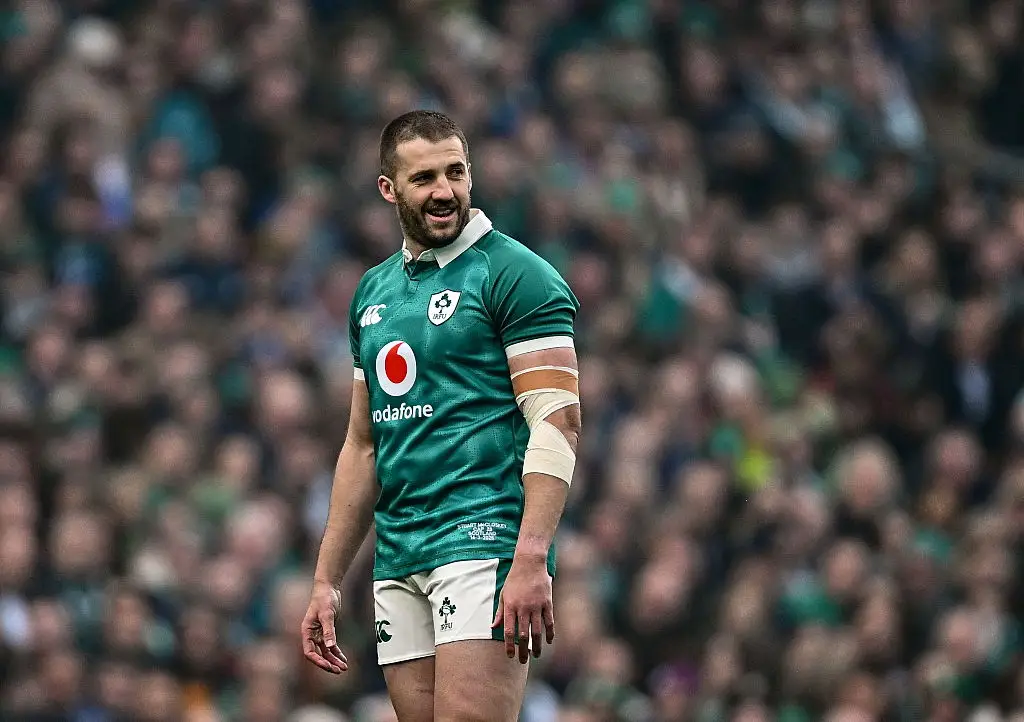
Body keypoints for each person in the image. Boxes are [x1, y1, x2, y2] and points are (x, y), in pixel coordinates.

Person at [301, 110, 582, 722]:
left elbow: (557, 425)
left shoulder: (517, 276)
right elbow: (362, 445)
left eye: (455, 172)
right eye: (424, 177)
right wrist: (327, 579)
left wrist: (530, 556)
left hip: (483, 539)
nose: (444, 191)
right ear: (388, 189)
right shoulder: (373, 293)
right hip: (400, 553)